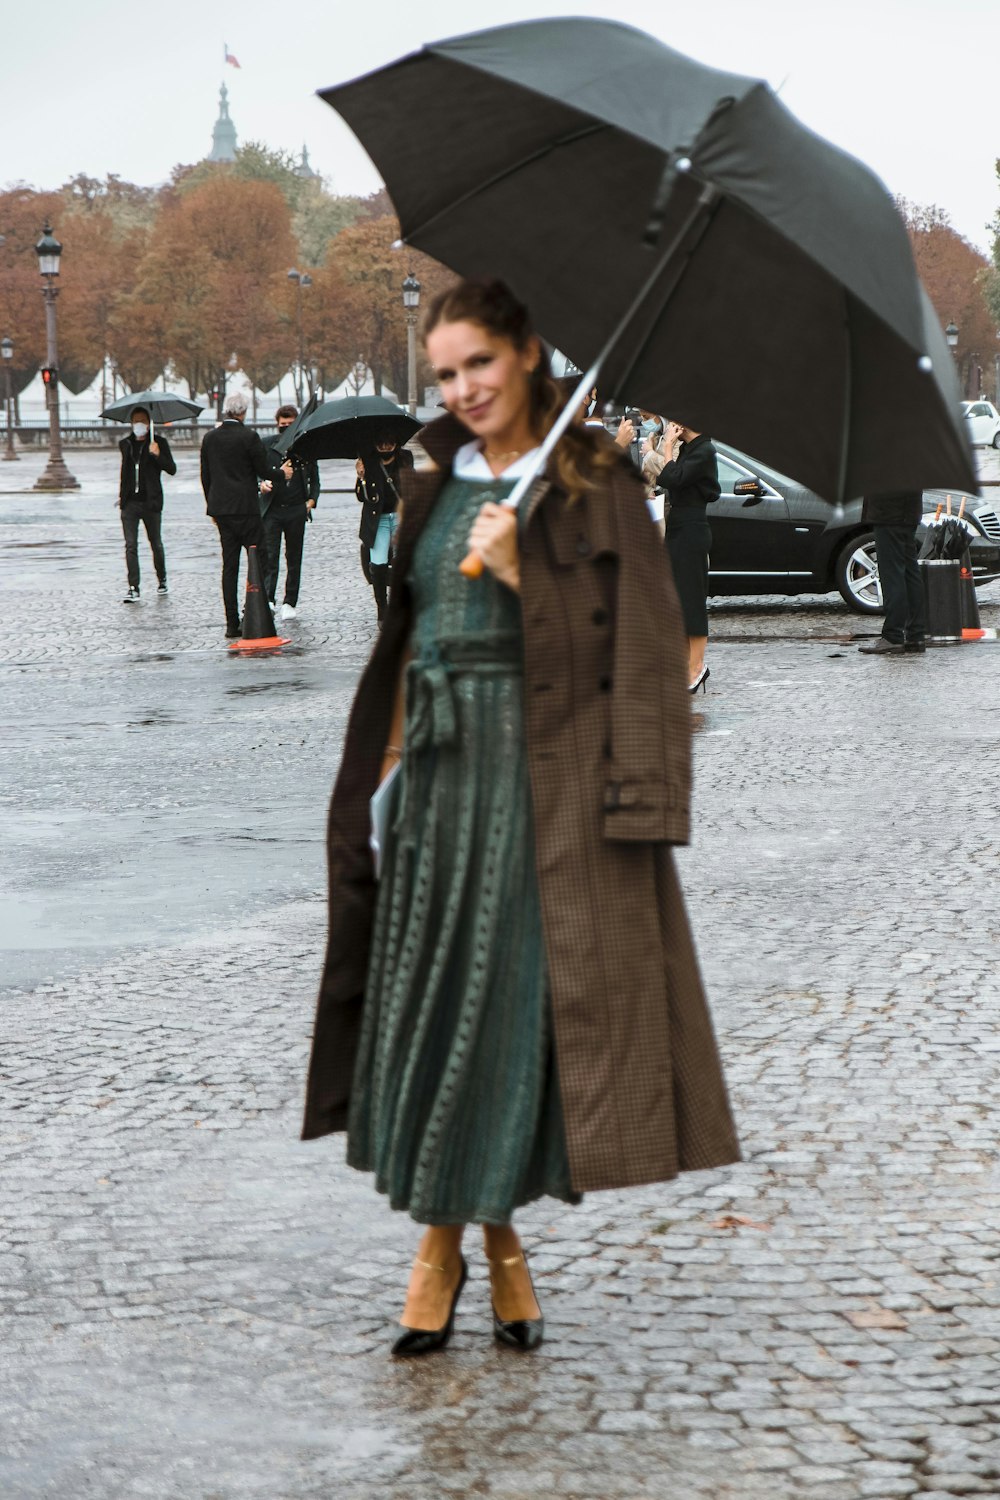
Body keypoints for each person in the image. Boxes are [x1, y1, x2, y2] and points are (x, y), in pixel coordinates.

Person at [301, 277, 739, 1357]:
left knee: (499, 1031)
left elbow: (642, 658)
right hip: (435, 796)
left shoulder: (593, 479)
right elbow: (409, 637)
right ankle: (495, 1247)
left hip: (540, 803)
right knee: (432, 1024)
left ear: (527, 355)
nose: (462, 389)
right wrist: (381, 783)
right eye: (445, 372)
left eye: (478, 366)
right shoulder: (434, 471)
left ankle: (439, 1253)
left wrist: (523, 577)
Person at [199, 392, 273, 637]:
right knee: (259, 561)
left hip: (222, 509)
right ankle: (255, 612)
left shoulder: (210, 438)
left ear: (226, 411)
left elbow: (206, 476)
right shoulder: (249, 437)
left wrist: (212, 504)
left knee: (229, 566)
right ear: (243, 412)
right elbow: (263, 469)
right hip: (247, 509)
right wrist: (282, 474)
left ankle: (232, 622)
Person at [658, 421, 720, 693]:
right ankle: (686, 665)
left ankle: (697, 667)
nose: (671, 424)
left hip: (692, 531)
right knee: (680, 600)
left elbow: (673, 478)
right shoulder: (691, 449)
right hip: (679, 529)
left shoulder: (704, 449)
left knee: (692, 600)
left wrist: (667, 446)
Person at [262, 405, 321, 620]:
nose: (285, 428)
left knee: (294, 557)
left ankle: (290, 601)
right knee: (270, 556)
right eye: (282, 424)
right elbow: (257, 472)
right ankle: (268, 598)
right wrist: (261, 484)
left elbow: (315, 479)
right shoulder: (267, 446)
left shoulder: (305, 448)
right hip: (273, 510)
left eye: (290, 424)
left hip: (297, 509)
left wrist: (312, 500)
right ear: (277, 423)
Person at [118, 406, 176, 603]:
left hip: (151, 502)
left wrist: (157, 455)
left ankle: (162, 578)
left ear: (149, 423)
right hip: (130, 504)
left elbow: (171, 469)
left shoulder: (158, 443)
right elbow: (125, 472)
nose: (139, 425)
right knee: (131, 545)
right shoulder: (125, 444)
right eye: (135, 421)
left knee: (156, 543)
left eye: (142, 420)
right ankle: (134, 586)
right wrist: (122, 497)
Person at [857, 491, 926, 654]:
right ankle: (915, 635)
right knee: (910, 571)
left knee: (892, 573)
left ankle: (893, 635)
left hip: (888, 511)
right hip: (908, 511)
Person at [355, 435, 414, 622]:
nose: (385, 445)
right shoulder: (367, 460)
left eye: (389, 441)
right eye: (381, 442)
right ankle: (382, 606)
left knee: (401, 562)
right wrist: (361, 478)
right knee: (378, 564)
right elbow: (362, 497)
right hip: (378, 519)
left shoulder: (405, 458)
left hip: (400, 516)